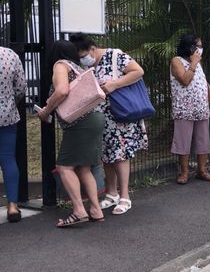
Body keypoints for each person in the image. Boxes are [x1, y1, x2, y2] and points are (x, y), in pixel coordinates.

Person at [69, 33, 148, 215]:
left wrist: (115, 84)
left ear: (92, 48)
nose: (83, 60)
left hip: (120, 115)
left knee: (120, 155)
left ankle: (125, 196)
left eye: (83, 55)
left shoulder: (115, 55)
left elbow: (138, 71)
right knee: (106, 154)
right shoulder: (88, 66)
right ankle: (111, 193)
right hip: (100, 117)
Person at [37, 41, 105, 227]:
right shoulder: (77, 67)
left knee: (64, 167)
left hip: (80, 122)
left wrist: (46, 110)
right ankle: (95, 209)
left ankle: (78, 210)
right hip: (95, 118)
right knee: (84, 168)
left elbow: (62, 91)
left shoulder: (60, 65)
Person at [170, 34, 210, 184]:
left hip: (201, 106)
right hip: (184, 108)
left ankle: (202, 169)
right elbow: (185, 80)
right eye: (198, 46)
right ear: (190, 47)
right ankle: (184, 172)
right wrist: (193, 63)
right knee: (183, 141)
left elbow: (203, 81)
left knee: (203, 139)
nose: (200, 49)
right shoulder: (176, 61)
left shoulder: (197, 63)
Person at [0, 46, 26, 223]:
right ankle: (12, 206)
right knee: (8, 159)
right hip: (6, 115)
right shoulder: (9, 54)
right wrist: (10, 102)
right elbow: (21, 88)